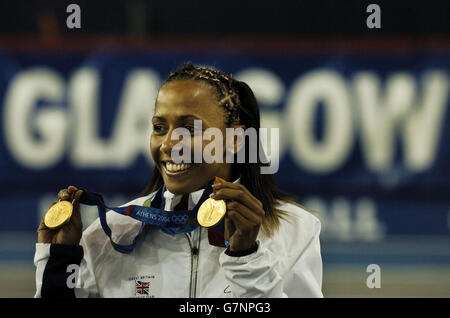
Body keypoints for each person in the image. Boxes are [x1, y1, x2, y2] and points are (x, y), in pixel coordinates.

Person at [34, 62, 323, 298]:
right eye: (160, 127)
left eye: (189, 129)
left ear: (235, 139)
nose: (170, 144)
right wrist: (57, 262)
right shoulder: (109, 235)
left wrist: (247, 258)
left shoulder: (294, 231)